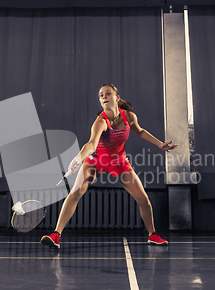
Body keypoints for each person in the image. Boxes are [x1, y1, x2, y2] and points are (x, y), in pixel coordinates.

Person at [41, 84, 178, 249]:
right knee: (76, 192)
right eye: (101, 95)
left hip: (119, 162)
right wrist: (78, 158)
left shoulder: (129, 117)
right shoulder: (100, 121)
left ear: (117, 97)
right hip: (96, 160)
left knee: (144, 199)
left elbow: (140, 131)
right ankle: (56, 234)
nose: (104, 96)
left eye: (108, 93)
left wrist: (160, 144)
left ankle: (153, 235)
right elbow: (91, 144)